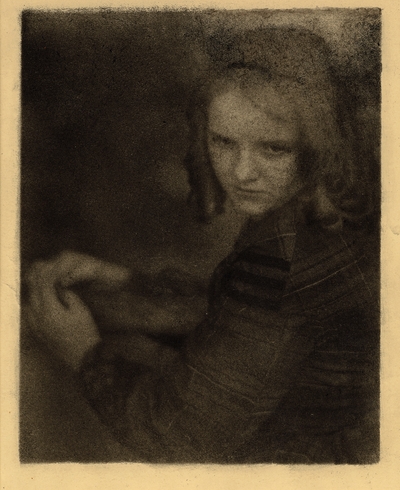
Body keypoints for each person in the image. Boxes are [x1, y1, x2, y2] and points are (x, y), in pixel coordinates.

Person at [23, 26, 380, 464]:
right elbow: (249, 321)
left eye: (273, 148)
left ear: (317, 146)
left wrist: (82, 353)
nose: (242, 172)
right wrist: (125, 282)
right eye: (223, 142)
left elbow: (180, 434)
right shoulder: (326, 221)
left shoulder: (282, 254)